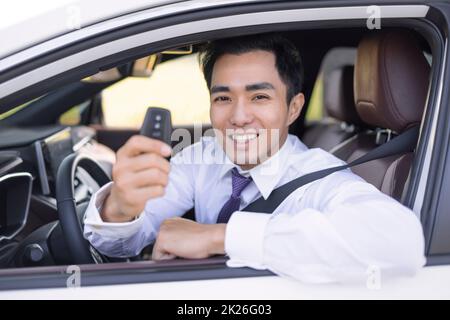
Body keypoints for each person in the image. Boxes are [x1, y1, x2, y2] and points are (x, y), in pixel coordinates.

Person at [83, 34, 425, 283]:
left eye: (259, 96)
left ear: (293, 108)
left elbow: (400, 243)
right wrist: (120, 207)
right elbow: (122, 240)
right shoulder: (202, 157)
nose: (239, 117)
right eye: (223, 99)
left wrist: (220, 236)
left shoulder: (318, 175)